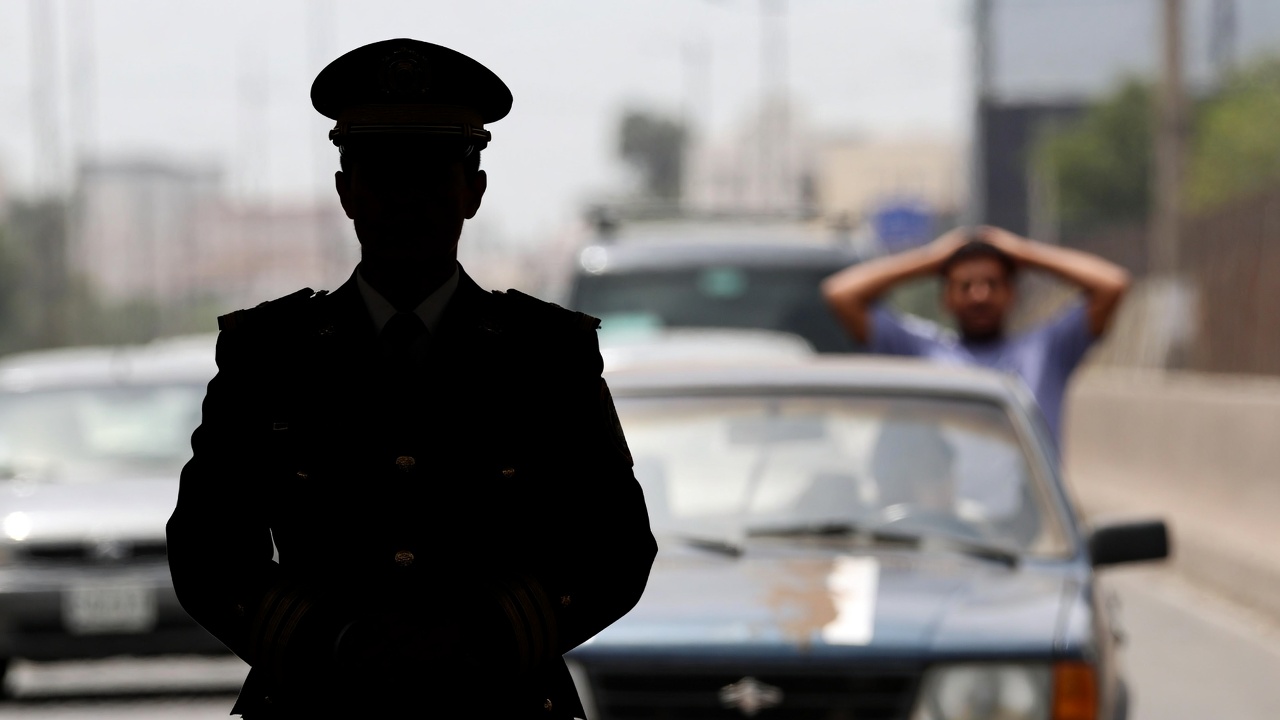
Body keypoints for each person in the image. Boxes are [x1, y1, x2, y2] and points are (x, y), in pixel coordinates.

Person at [167, 39, 657, 719]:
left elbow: (616, 548)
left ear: (473, 192)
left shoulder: (547, 356)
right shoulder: (268, 356)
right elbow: (206, 551)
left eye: (430, 175)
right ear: (346, 192)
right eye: (382, 176)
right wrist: (334, 642)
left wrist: (482, 637)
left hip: (499, 699)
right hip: (318, 697)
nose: (406, 200)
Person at [821, 226, 1130, 446]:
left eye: (992, 284)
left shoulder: (1046, 350)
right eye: (965, 286)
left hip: (1029, 519)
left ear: (1012, 294)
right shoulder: (921, 351)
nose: (979, 296)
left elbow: (1112, 285)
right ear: (946, 298)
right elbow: (841, 294)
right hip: (944, 515)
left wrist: (1022, 253)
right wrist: (934, 258)